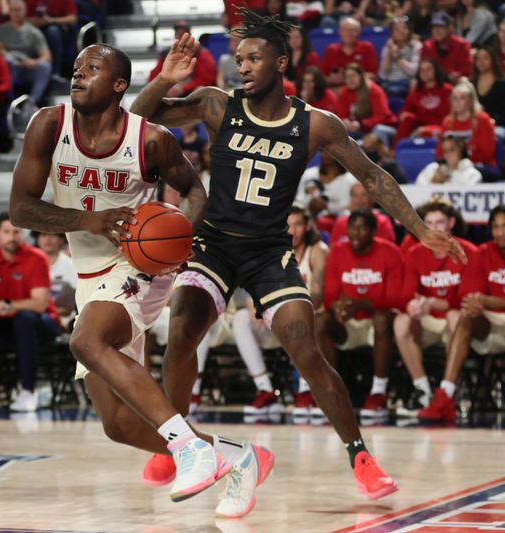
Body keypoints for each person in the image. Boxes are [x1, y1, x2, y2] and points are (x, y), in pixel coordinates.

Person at [130, 10, 465, 507]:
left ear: (281, 61)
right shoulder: (216, 104)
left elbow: (372, 177)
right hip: (215, 244)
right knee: (182, 330)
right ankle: (174, 447)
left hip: (268, 250)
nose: (242, 67)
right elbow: (138, 121)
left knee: (304, 345)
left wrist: (419, 231)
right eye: (238, 59)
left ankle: (361, 457)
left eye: (253, 58)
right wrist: (163, 78)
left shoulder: (315, 124)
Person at [9, 43, 261, 513]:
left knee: (85, 342)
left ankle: (188, 451)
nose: (79, 73)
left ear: (119, 85)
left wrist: (179, 240)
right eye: (77, 67)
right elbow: (20, 208)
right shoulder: (48, 124)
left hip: (138, 262)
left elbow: (193, 192)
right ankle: (238, 457)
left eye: (93, 68)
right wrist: (90, 221)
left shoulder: (151, 140)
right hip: (88, 269)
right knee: (119, 424)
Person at [233, 207, 328, 419]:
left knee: (301, 317)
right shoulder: (270, 250)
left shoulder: (318, 250)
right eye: (288, 225)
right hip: (274, 320)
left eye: (298, 225)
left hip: (306, 319)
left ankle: (306, 389)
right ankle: (264, 389)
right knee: (240, 318)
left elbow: (318, 292)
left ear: (307, 226)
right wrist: (252, 301)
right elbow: (251, 286)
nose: (292, 231)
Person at [418, 205, 505, 423]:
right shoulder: (483, 252)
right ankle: (445, 396)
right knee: (466, 315)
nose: (499, 232)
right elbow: (469, 295)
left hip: (494, 309)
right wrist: (477, 303)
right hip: (492, 320)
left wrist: (487, 301)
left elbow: (484, 299)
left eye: (504, 226)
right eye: (495, 227)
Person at [394, 199, 477, 417]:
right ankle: (422, 391)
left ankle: (449, 391)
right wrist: (414, 305)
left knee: (454, 315)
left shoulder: (468, 251)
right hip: (427, 321)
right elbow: (405, 295)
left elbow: (466, 299)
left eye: (439, 222)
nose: (434, 228)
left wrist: (431, 303)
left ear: (450, 223)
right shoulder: (414, 253)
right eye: (428, 223)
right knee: (401, 321)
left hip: (455, 322)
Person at [0, 213, 60, 411]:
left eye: (16, 231)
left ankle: (28, 391)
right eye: (7, 232)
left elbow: (40, 305)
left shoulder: (36, 258)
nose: (12, 236)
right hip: (9, 326)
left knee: (24, 319)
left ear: (23, 234)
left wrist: (4, 304)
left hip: (43, 324)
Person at [318, 209, 403, 418]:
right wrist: (338, 308)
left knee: (382, 319)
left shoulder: (390, 253)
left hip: (377, 325)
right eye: (352, 228)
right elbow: (329, 296)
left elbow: (394, 299)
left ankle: (379, 391)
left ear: (374, 231)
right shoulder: (337, 251)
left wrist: (358, 303)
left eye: (362, 228)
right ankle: (330, 390)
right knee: (319, 321)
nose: (355, 233)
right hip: (347, 323)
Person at [0, 0, 51, 104]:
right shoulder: (0, 30)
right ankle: (10, 102)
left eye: (18, 10)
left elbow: (47, 56)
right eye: (12, 10)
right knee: (8, 61)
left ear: (24, 11)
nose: (15, 13)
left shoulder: (33, 32)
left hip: (26, 67)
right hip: (8, 66)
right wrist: (13, 59)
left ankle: (31, 103)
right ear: (9, 12)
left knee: (45, 67)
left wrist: (34, 62)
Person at [148, 20, 217, 97]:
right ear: (175, 36)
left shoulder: (202, 53)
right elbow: (153, 77)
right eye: (178, 34)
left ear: (190, 35)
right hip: (170, 92)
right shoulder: (167, 54)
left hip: (191, 93)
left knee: (200, 90)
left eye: (183, 34)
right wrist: (165, 87)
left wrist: (183, 88)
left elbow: (207, 79)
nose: (181, 37)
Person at [321, 17, 378, 87]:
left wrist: (347, 78)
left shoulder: (367, 47)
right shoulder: (331, 50)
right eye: (345, 30)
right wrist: (333, 79)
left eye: (351, 30)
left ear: (358, 32)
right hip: (337, 89)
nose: (348, 33)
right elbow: (323, 77)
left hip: (361, 88)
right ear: (340, 32)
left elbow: (374, 76)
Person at [421, 11, 472, 83]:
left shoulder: (462, 45)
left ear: (449, 28)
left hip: (456, 84)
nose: (437, 30)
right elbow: (423, 70)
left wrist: (457, 75)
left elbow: (467, 70)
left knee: (464, 82)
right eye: (434, 27)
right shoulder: (427, 46)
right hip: (434, 84)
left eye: (441, 27)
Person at [378, 16, 421, 99]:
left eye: (404, 28)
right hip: (387, 82)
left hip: (406, 81)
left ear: (409, 30)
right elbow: (383, 74)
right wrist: (388, 52)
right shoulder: (387, 47)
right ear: (392, 33)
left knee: (394, 91)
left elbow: (414, 72)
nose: (401, 31)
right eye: (397, 29)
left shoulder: (416, 46)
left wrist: (397, 57)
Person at [416, 135, 483, 185]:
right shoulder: (432, 169)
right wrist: (434, 182)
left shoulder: (473, 174)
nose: (448, 154)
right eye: (445, 151)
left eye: (452, 150)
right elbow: (417, 192)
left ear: (461, 150)